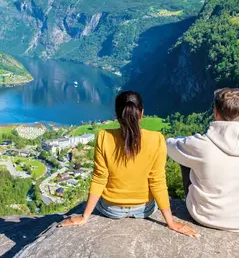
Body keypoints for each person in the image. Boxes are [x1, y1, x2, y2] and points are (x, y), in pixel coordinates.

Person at [59, 91, 197, 238]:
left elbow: (99, 178)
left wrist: (85, 217)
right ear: (141, 113)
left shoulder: (104, 137)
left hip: (111, 209)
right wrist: (171, 222)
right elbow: (157, 182)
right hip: (144, 209)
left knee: (100, 197)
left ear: (117, 115)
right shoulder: (156, 139)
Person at [167, 88, 239, 232]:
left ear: (215, 111)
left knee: (185, 155)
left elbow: (170, 146)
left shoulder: (201, 145)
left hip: (204, 215)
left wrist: (180, 140)